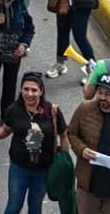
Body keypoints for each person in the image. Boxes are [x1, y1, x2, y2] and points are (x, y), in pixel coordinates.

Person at [0, 71, 69, 214]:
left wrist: (64, 159)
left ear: (41, 91)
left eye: (34, 90)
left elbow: (63, 135)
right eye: (26, 89)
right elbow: (6, 129)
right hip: (19, 168)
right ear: (21, 90)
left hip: (43, 170)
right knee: (13, 206)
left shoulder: (52, 111)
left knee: (35, 207)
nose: (29, 94)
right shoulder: (14, 110)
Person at [69, 72, 110, 213]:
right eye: (100, 92)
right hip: (88, 188)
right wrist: (81, 149)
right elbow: (71, 133)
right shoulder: (85, 109)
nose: (102, 97)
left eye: (108, 94)